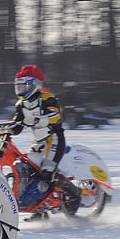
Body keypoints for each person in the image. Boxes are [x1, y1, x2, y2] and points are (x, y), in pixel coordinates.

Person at [9, 64, 81, 219]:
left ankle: (75, 195)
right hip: (39, 143)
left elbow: (57, 116)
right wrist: (8, 128)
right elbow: (17, 124)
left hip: (54, 140)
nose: (20, 90)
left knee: (48, 172)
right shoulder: (21, 105)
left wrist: (42, 119)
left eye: (24, 86)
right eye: (18, 86)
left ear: (35, 85)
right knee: (26, 169)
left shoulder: (48, 99)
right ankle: (38, 209)